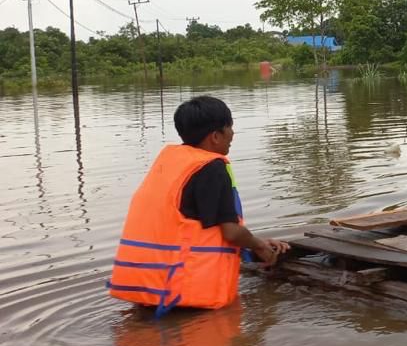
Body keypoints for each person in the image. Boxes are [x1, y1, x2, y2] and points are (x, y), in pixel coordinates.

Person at [108, 96, 289, 313]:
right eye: (229, 127)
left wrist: (255, 242)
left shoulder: (171, 163)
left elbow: (195, 229)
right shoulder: (212, 168)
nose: (232, 134)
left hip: (148, 289)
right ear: (215, 136)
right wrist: (260, 246)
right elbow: (230, 232)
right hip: (187, 296)